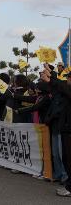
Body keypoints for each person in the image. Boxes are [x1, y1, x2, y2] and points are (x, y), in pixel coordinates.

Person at [41, 64, 71, 197]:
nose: (66, 81)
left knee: (68, 158)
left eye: (68, 78)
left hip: (67, 129)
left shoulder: (68, 91)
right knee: (64, 157)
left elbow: (61, 87)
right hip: (64, 128)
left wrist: (51, 77)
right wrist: (50, 73)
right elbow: (58, 87)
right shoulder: (65, 92)